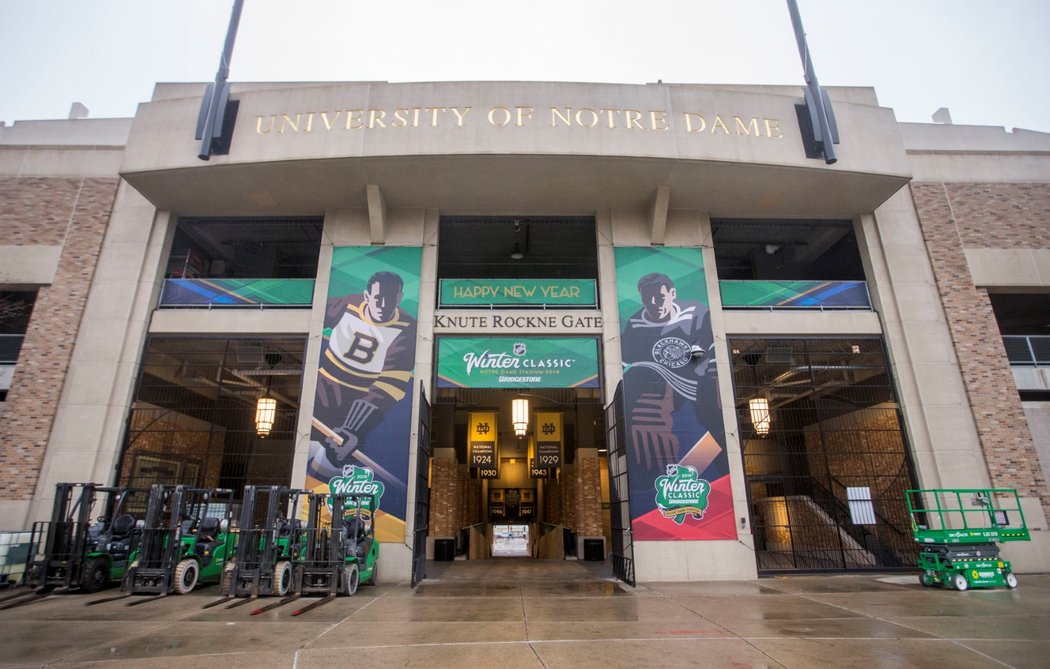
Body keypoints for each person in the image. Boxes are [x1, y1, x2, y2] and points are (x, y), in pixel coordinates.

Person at [620, 272, 725, 482]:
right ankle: (646, 476)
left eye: (659, 296)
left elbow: (708, 353)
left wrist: (696, 373)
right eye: (647, 298)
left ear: (672, 294)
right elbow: (624, 365)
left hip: (695, 378)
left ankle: (720, 468)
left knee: (714, 417)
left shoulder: (697, 313)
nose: (653, 303)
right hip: (657, 382)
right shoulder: (635, 324)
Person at [310, 270, 417, 475]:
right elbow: (311, 321)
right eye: (378, 298)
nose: (383, 306)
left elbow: (390, 385)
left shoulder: (407, 328)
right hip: (323, 387)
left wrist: (353, 428)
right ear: (367, 296)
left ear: (400, 297)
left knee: (328, 466)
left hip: (359, 399)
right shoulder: (346, 304)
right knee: (308, 449)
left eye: (390, 299)